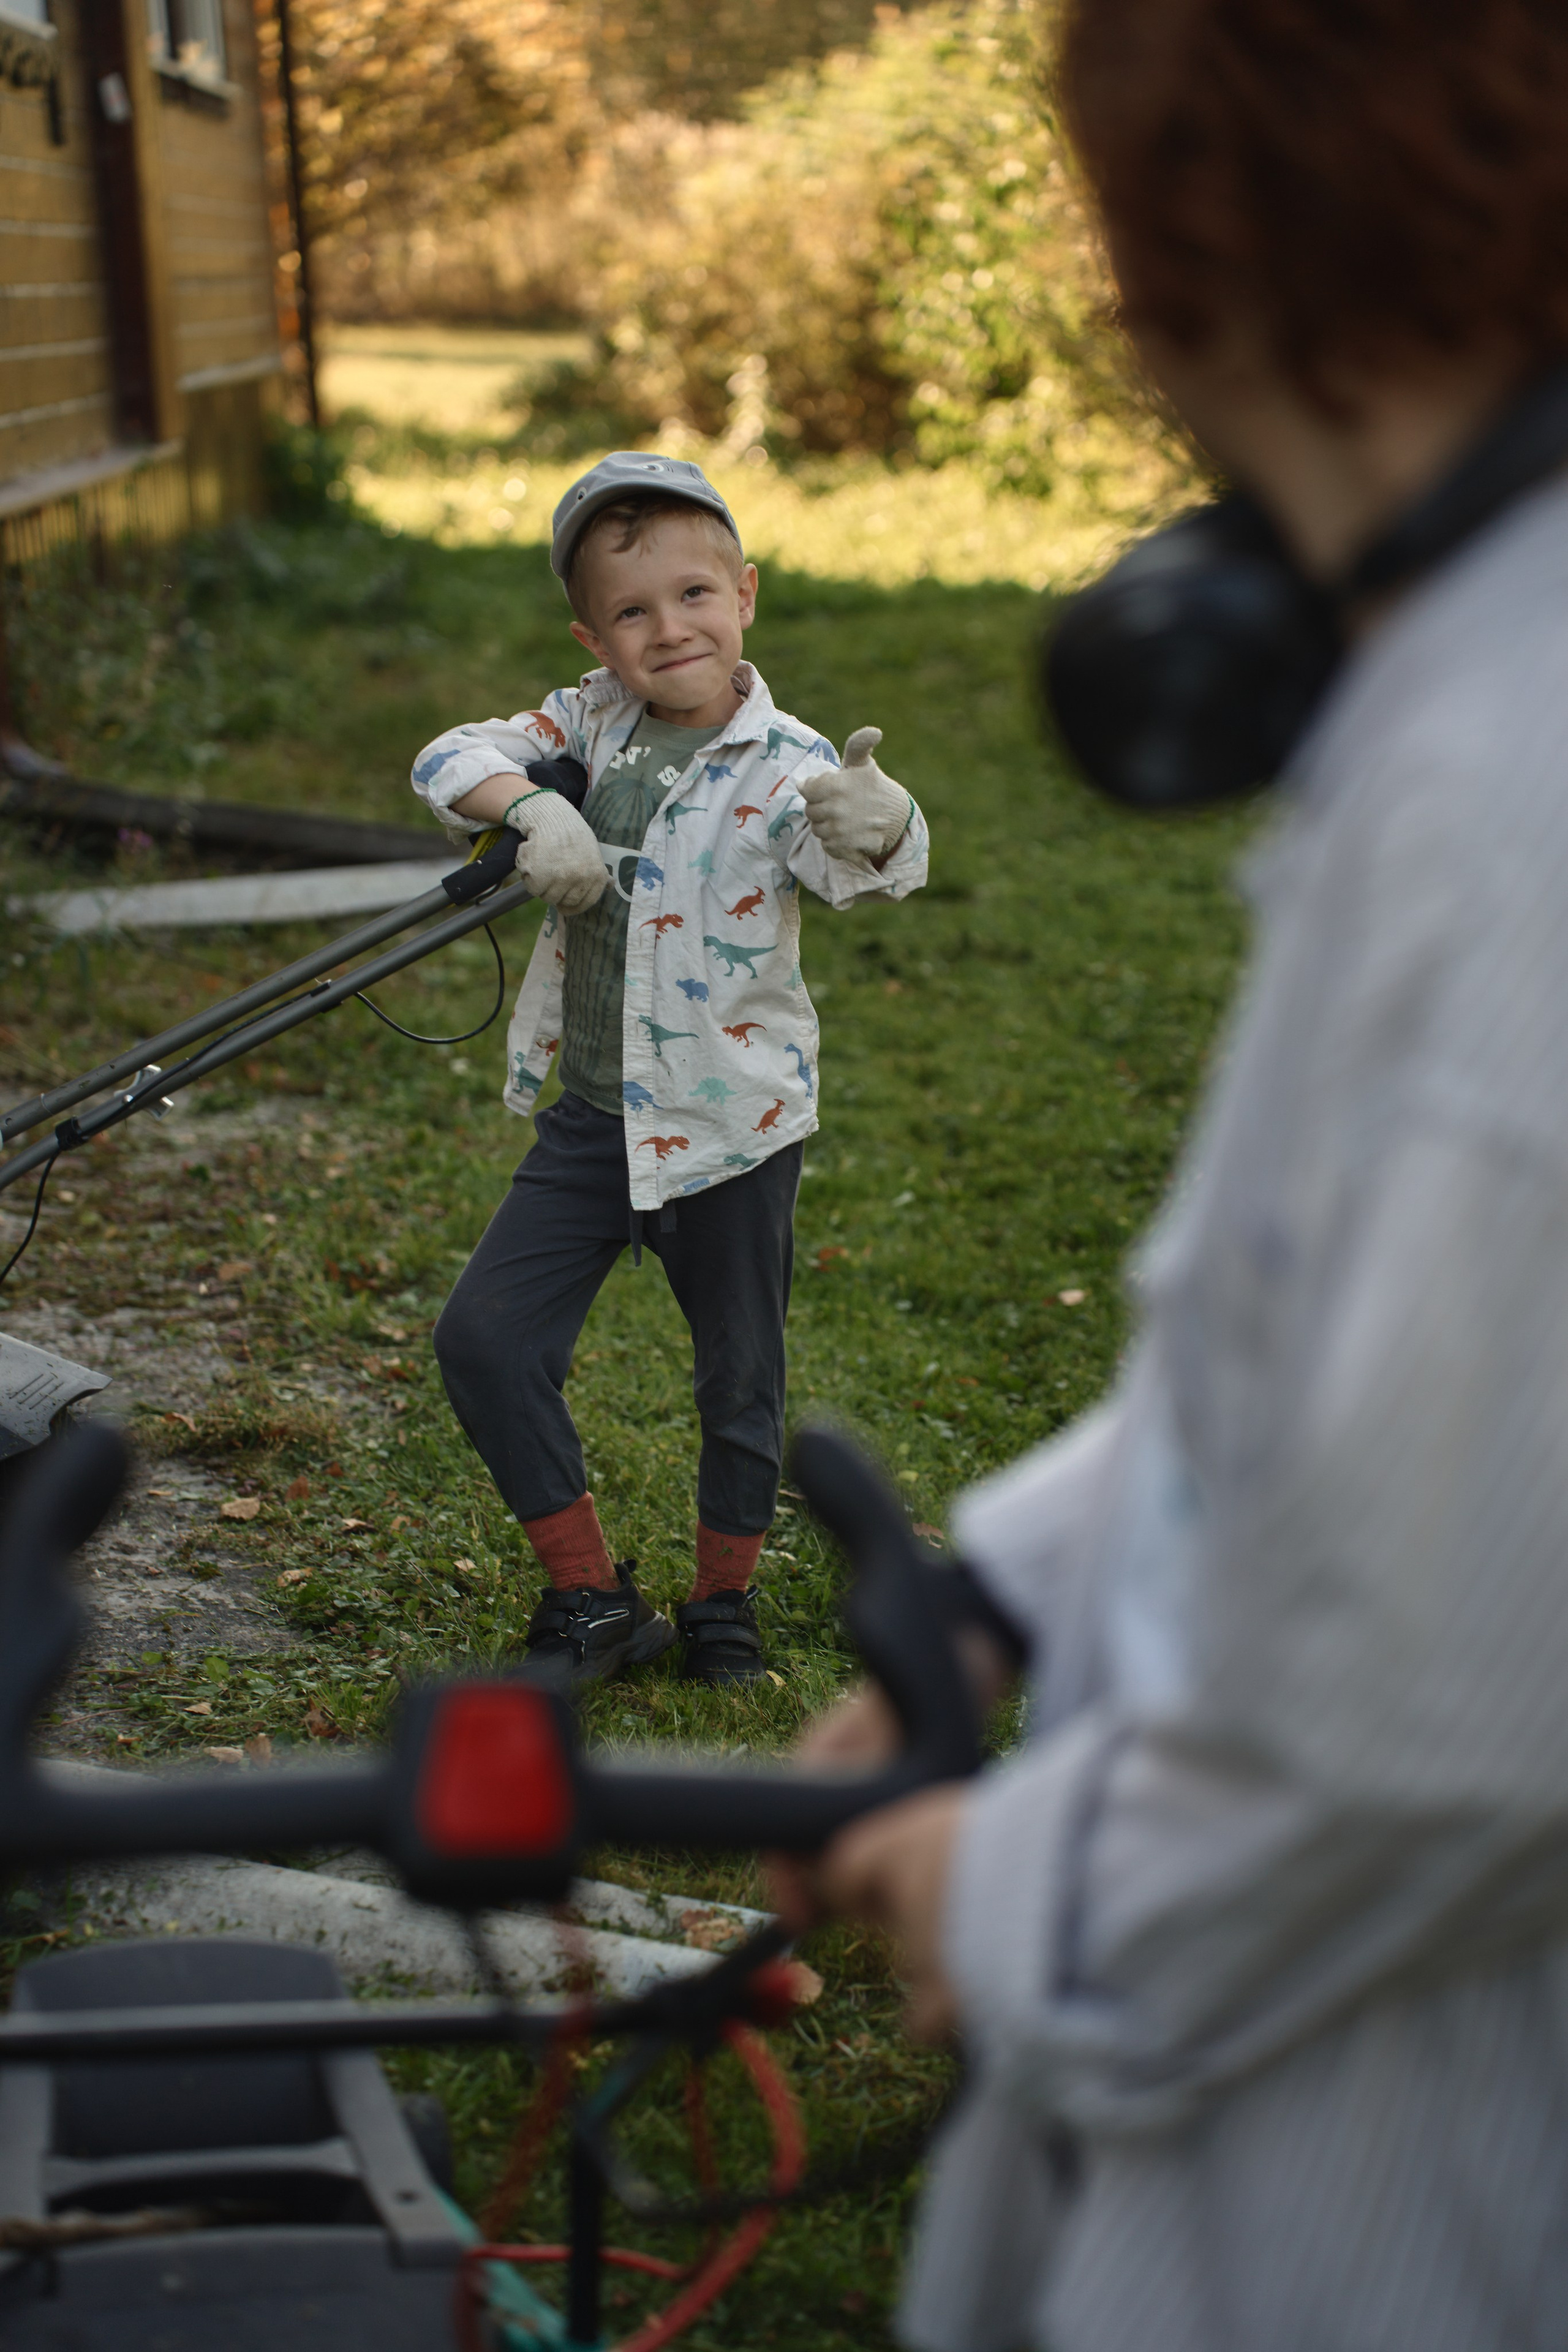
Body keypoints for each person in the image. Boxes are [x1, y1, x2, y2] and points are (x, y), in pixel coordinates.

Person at [771, 3, 1568, 2346]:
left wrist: (1012, 1891)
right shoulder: (1458, 686)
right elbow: (1390, 1344)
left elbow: (1439, 1734)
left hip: (1389, 2210)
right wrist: (1016, 1583)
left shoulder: (1509, 796)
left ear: (1207, 230)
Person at [410, 454, 928, 1687]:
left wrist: (889, 821)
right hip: (592, 1125)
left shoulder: (791, 764)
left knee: (737, 1377)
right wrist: (530, 811)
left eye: (695, 594)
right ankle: (591, 1599)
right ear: (592, 636)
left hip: (729, 1133)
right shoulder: (581, 724)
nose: (669, 629)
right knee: (484, 1339)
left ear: (745, 592)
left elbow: (861, 865)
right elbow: (448, 755)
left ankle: (721, 1604)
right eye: (632, 612)